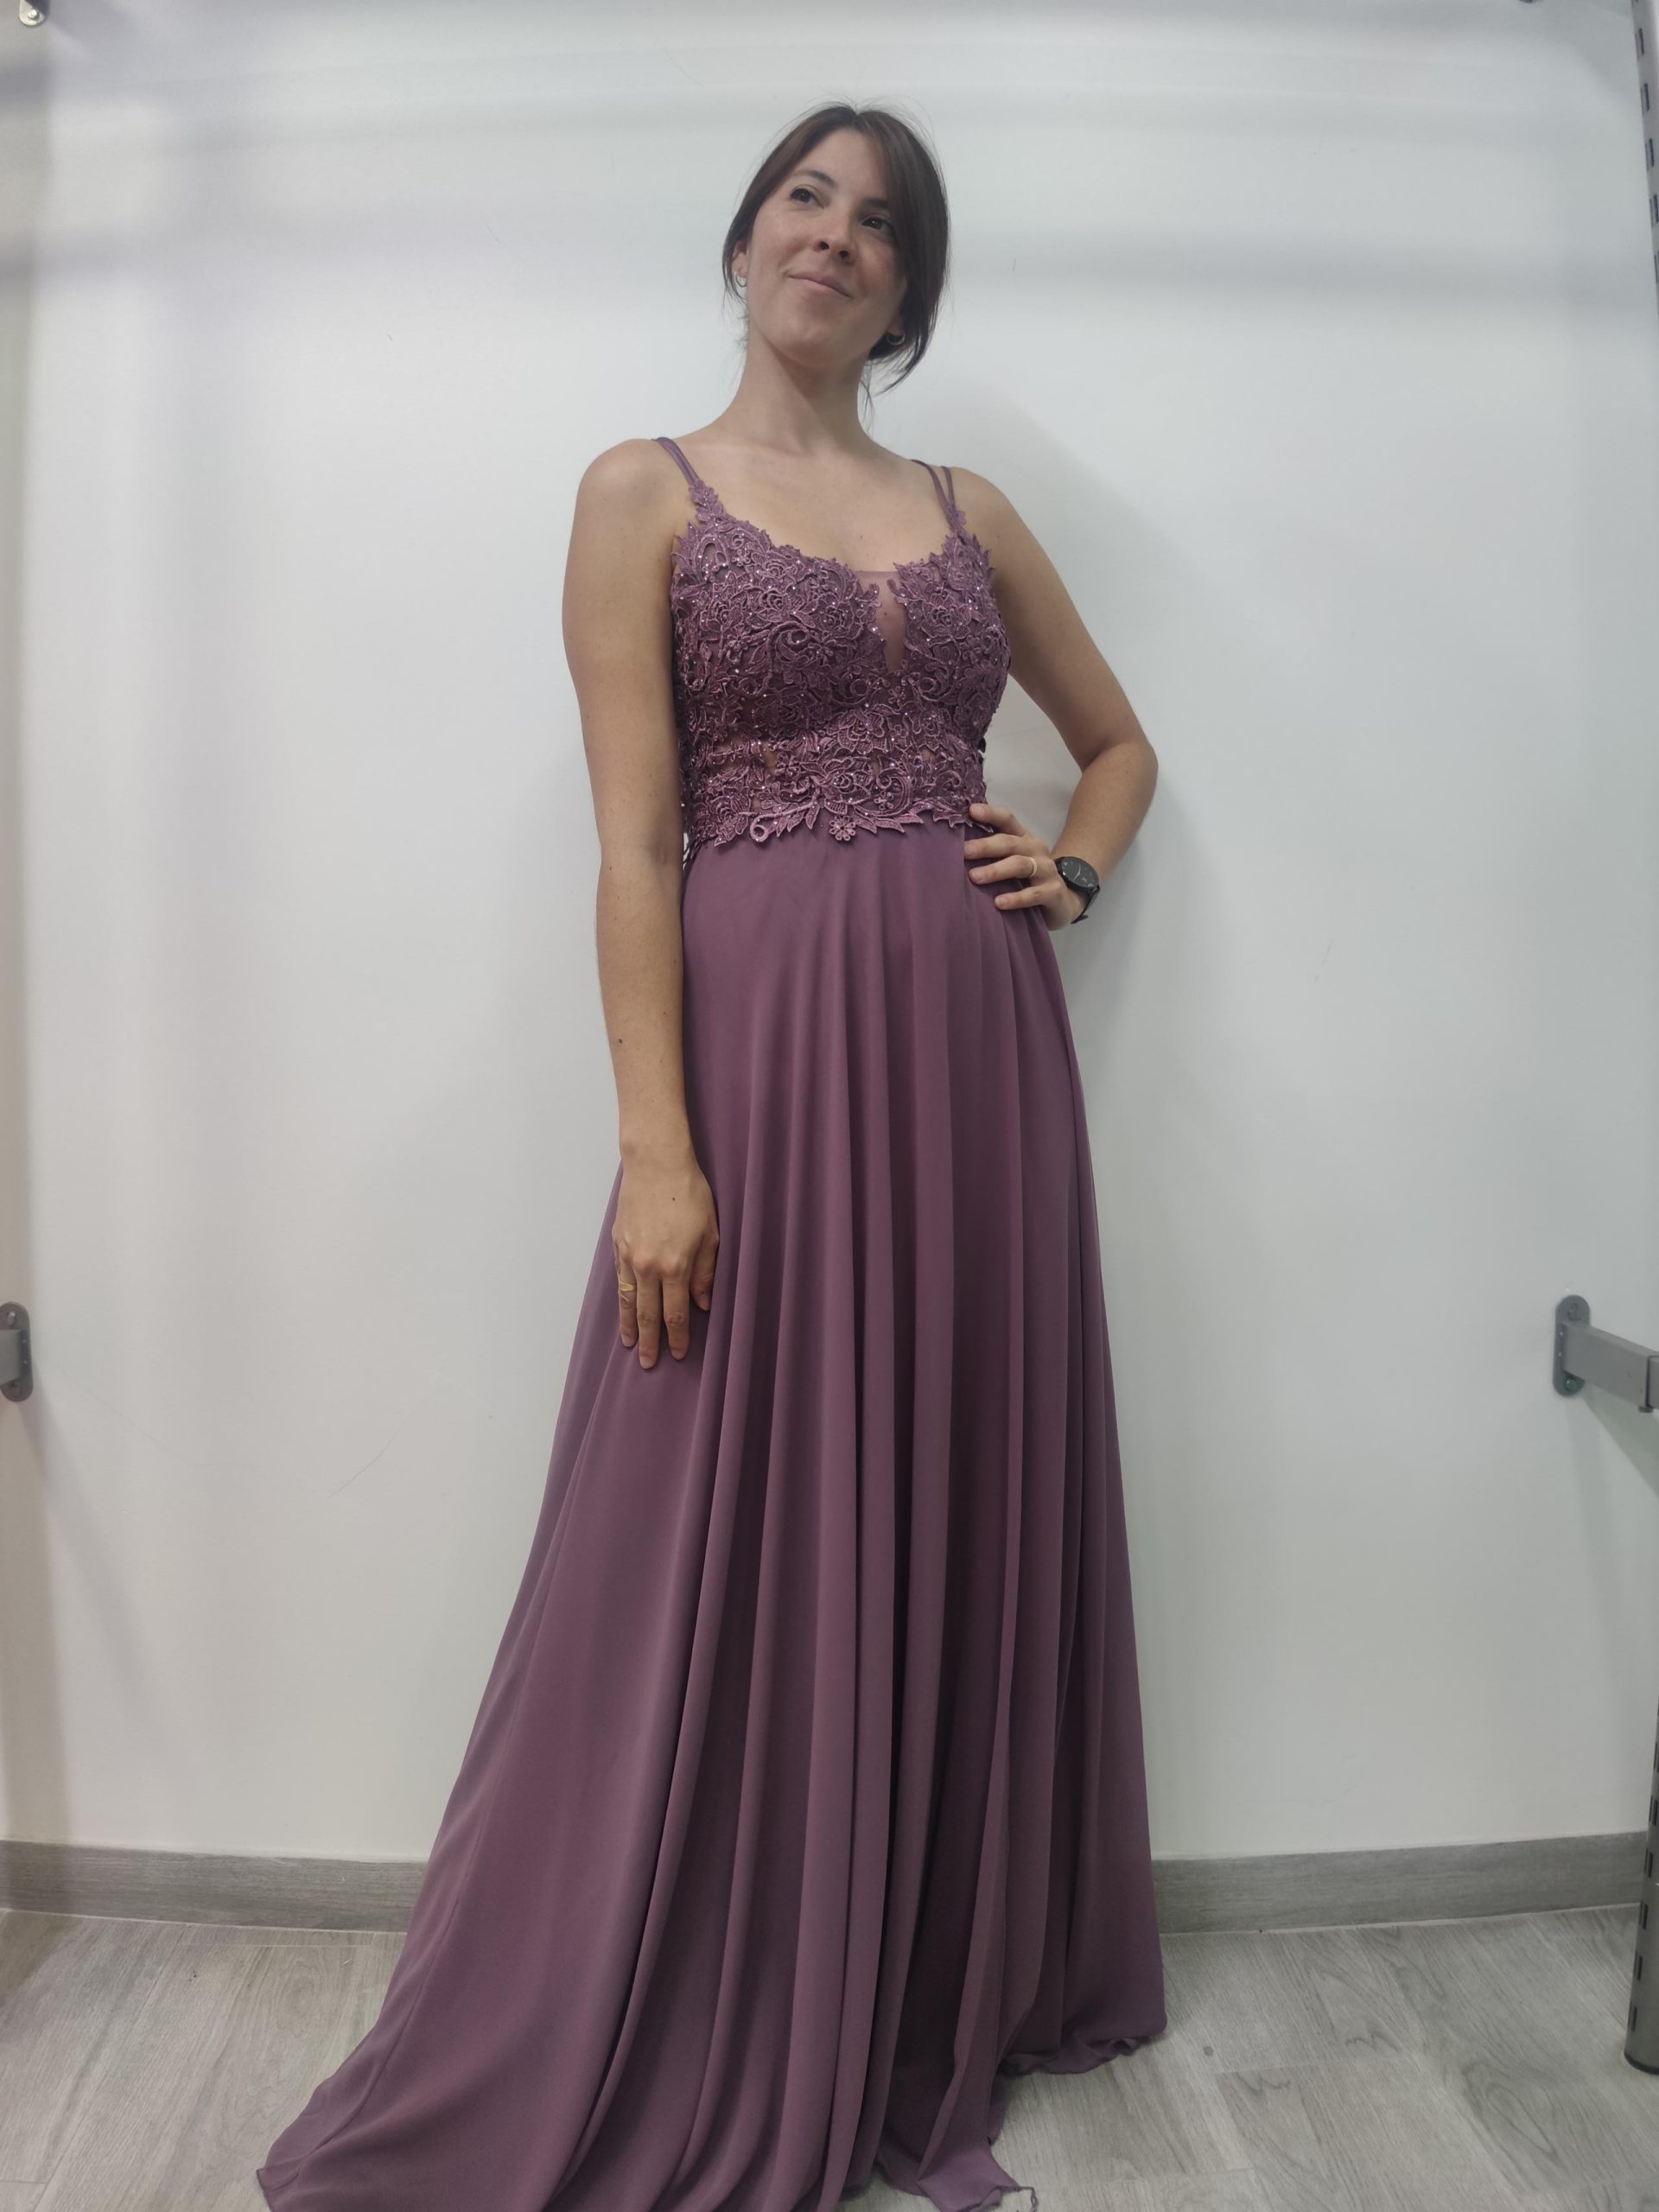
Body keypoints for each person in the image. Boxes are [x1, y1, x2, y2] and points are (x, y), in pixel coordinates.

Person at [256, 98, 1165, 2212]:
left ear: (911, 290)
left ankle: (915, 1955)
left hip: (978, 1062)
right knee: (710, 1493)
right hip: (761, 1057)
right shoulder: (637, 491)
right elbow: (636, 842)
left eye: (879, 223)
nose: (833, 237)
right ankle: (710, 1974)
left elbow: (1119, 743)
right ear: (746, 238)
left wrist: (1075, 866)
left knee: (949, 1467)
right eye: (803, 199)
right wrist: (655, 1149)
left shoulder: (971, 507)